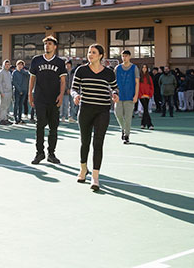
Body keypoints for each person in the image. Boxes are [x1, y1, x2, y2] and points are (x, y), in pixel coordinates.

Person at [70, 44, 119, 192]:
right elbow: (73, 88)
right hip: (85, 110)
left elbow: (115, 87)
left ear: (100, 56)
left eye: (93, 52)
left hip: (102, 111)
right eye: (89, 52)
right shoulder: (81, 70)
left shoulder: (109, 73)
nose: (90, 55)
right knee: (85, 142)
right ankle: (83, 169)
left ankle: (95, 176)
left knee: (98, 143)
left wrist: (115, 94)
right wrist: (75, 95)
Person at [28, 36, 67, 165]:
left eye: (49, 44)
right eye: (45, 44)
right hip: (40, 98)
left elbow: (63, 81)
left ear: (55, 46)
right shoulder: (36, 60)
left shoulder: (60, 62)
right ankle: (39, 153)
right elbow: (32, 79)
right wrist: (30, 94)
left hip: (54, 99)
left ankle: (51, 153)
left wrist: (61, 95)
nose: (47, 46)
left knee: (53, 127)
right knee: (40, 125)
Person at [114, 50, 139, 144]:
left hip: (130, 96)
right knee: (118, 114)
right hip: (119, 96)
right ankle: (123, 129)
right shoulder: (117, 68)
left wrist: (136, 95)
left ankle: (127, 135)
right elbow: (113, 82)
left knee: (128, 117)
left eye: (126, 56)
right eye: (123, 56)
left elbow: (137, 83)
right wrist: (114, 93)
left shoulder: (134, 68)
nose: (124, 58)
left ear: (129, 57)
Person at [11, 60, 29, 124]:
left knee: (21, 105)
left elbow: (29, 75)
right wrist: (19, 90)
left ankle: (20, 118)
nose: (20, 66)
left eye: (21, 65)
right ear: (17, 65)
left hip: (24, 91)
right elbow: (14, 82)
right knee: (16, 105)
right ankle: (15, 118)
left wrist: (23, 71)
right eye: (19, 64)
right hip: (17, 91)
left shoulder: (24, 72)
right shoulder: (14, 72)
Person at [138, 64, 154, 130]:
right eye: (143, 67)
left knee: (145, 109)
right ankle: (150, 124)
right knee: (146, 109)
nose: (144, 69)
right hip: (141, 96)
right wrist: (140, 94)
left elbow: (151, 87)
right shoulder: (138, 77)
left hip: (147, 96)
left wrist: (150, 95)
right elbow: (137, 87)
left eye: (145, 67)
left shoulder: (149, 77)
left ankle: (143, 124)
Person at [0, 60, 13, 125]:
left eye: (8, 64)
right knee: (2, 106)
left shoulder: (9, 73)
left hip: (9, 92)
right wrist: (1, 92)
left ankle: (6, 118)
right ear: (4, 65)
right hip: (4, 92)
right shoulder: (1, 72)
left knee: (7, 106)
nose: (7, 66)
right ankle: (2, 119)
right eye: (6, 64)